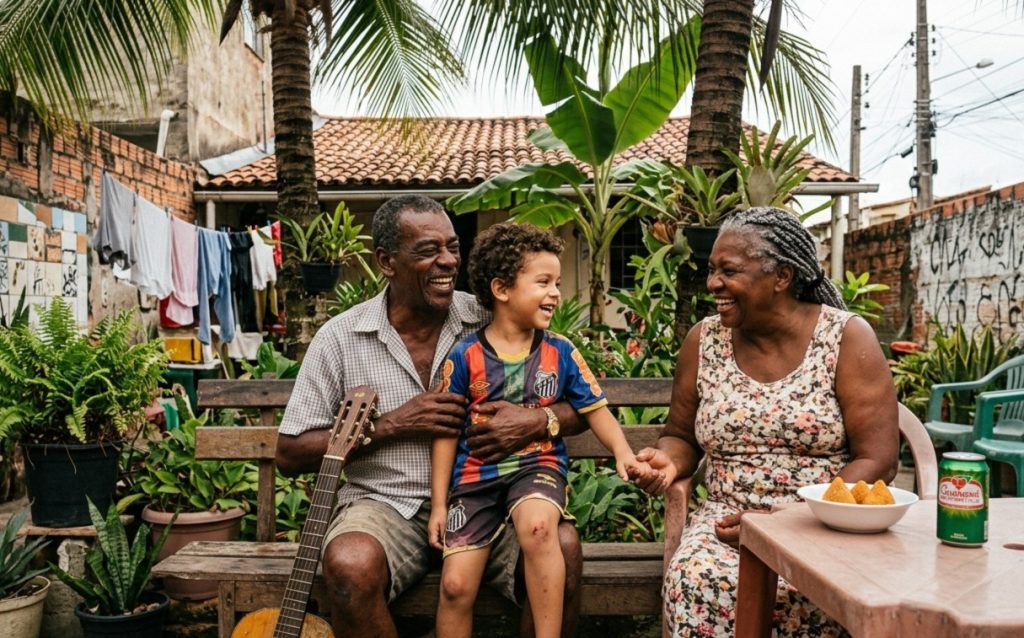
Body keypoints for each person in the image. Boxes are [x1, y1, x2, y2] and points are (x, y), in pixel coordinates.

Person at [275, 196, 585, 637]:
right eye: (427, 251)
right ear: (386, 261)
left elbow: (582, 401)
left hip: (490, 497)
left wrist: (535, 422)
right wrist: (393, 424)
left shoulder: (490, 314)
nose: (447, 262)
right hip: (385, 505)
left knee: (564, 546)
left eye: (452, 248)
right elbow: (289, 452)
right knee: (349, 562)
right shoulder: (340, 338)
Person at [629, 207, 899, 637]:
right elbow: (680, 435)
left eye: (729, 271)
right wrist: (667, 461)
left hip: (824, 524)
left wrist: (792, 519)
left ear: (782, 276)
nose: (713, 283)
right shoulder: (705, 340)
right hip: (727, 527)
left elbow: (879, 458)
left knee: (830, 591)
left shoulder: (845, 338)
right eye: (712, 270)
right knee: (696, 581)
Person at [427, 223, 645, 638]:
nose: (555, 293)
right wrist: (440, 505)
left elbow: (595, 409)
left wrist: (622, 451)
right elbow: (445, 432)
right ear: (502, 289)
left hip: (537, 467)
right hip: (475, 481)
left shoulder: (560, 351)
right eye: (543, 282)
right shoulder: (464, 355)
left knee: (540, 528)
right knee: (455, 586)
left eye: (557, 282)